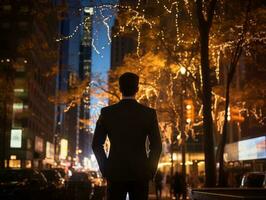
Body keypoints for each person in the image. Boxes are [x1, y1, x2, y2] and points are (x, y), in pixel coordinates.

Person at [92, 72, 162, 200]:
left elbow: (96, 144)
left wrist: (106, 169)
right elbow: (156, 146)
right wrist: (150, 171)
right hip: (140, 173)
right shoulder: (149, 114)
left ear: (120, 89)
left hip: (115, 173)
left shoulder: (107, 113)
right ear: (137, 89)